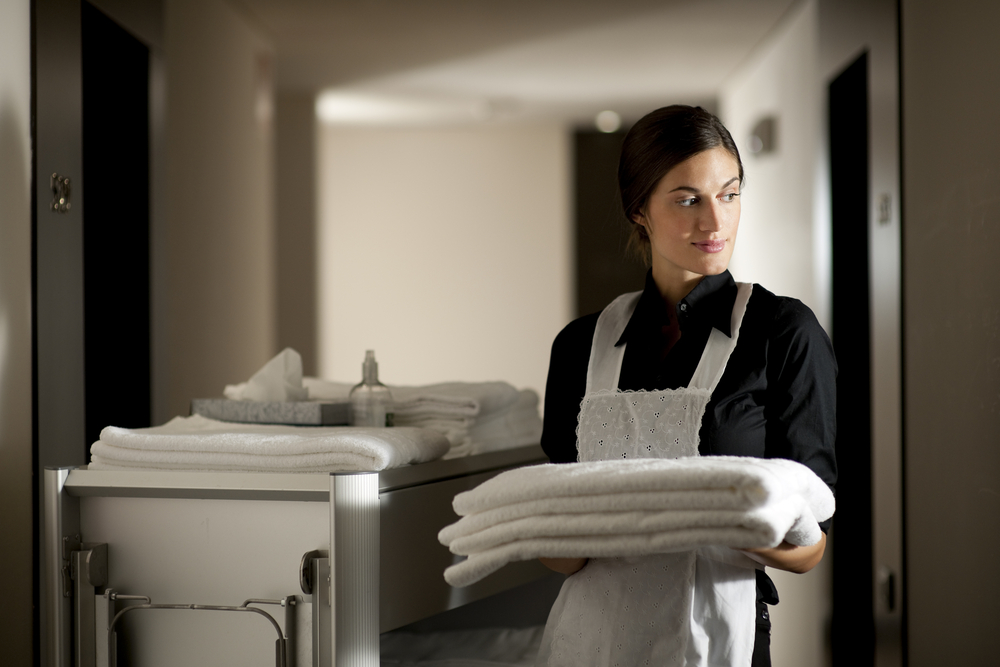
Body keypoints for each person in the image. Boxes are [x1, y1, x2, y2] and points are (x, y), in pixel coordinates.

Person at [536, 105, 837, 667]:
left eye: (729, 193)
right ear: (639, 211)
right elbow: (561, 557)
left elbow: (810, 546)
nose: (715, 222)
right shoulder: (580, 346)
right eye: (687, 199)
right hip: (591, 638)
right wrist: (562, 530)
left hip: (722, 634)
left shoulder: (783, 332)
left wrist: (697, 517)